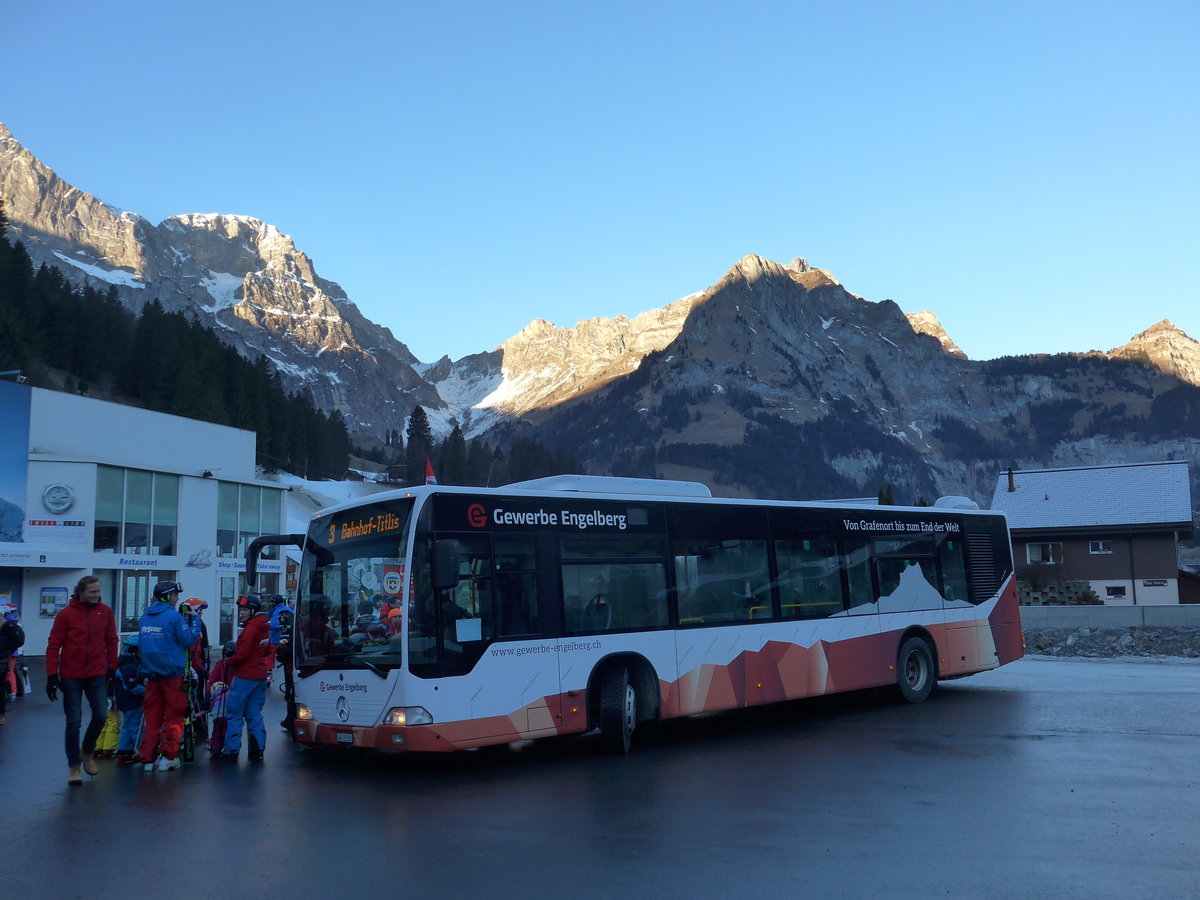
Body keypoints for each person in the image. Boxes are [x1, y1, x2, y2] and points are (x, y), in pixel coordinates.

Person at [45, 575, 119, 785]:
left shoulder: (104, 612)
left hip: (97, 673)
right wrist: (52, 676)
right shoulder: (65, 615)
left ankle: (87, 752)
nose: (97, 595)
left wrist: (112, 668)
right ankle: (74, 767)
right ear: (81, 592)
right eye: (92, 592)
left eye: (98, 591)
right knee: (74, 722)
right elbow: (53, 645)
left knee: (100, 716)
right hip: (71, 676)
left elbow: (112, 640)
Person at [138, 581, 201, 773]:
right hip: (172, 675)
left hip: (151, 674)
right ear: (166, 596)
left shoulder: (145, 616)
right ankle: (168, 757)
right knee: (174, 717)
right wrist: (195, 620)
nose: (177, 599)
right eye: (175, 595)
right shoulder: (173, 616)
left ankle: (148, 760)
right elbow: (188, 640)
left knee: (153, 718)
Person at [216, 594, 273, 762]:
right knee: (254, 714)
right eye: (240, 610)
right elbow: (268, 650)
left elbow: (242, 655)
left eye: (245, 610)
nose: (241, 613)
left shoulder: (250, 630)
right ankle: (258, 751)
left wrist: (228, 661)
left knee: (234, 714)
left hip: (244, 677)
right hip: (260, 676)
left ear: (253, 611)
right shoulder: (264, 627)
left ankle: (231, 751)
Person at [113, 633, 145, 765]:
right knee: (136, 727)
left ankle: (124, 750)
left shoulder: (123, 662)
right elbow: (130, 685)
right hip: (132, 701)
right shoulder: (130, 665)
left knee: (127, 725)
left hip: (123, 701)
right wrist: (146, 691)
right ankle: (141, 751)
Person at [0, 604, 26, 726]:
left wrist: (8, 651)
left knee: (2, 686)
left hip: (3, 661)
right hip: (5, 659)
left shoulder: (8, 626)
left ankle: (1, 714)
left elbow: (19, 640)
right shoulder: (9, 625)